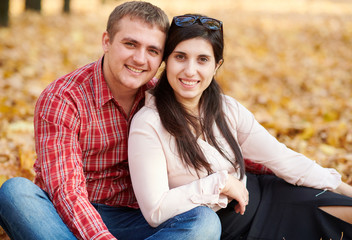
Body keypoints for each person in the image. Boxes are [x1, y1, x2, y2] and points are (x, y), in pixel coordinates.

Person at [0, 3, 223, 240]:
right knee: (14, 193)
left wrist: (255, 167)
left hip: (134, 219)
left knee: (204, 222)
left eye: (153, 51)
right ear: (106, 42)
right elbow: (66, 191)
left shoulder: (162, 99)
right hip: (63, 217)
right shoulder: (63, 98)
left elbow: (216, 140)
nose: (140, 58)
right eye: (130, 44)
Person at [128, 13, 352, 239]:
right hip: (225, 226)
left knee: (346, 214)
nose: (190, 70)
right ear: (166, 61)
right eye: (180, 57)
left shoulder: (227, 108)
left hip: (268, 195)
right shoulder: (148, 124)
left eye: (203, 59)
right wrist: (220, 183)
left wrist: (343, 189)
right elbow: (155, 211)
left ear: (217, 66)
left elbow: (282, 159)